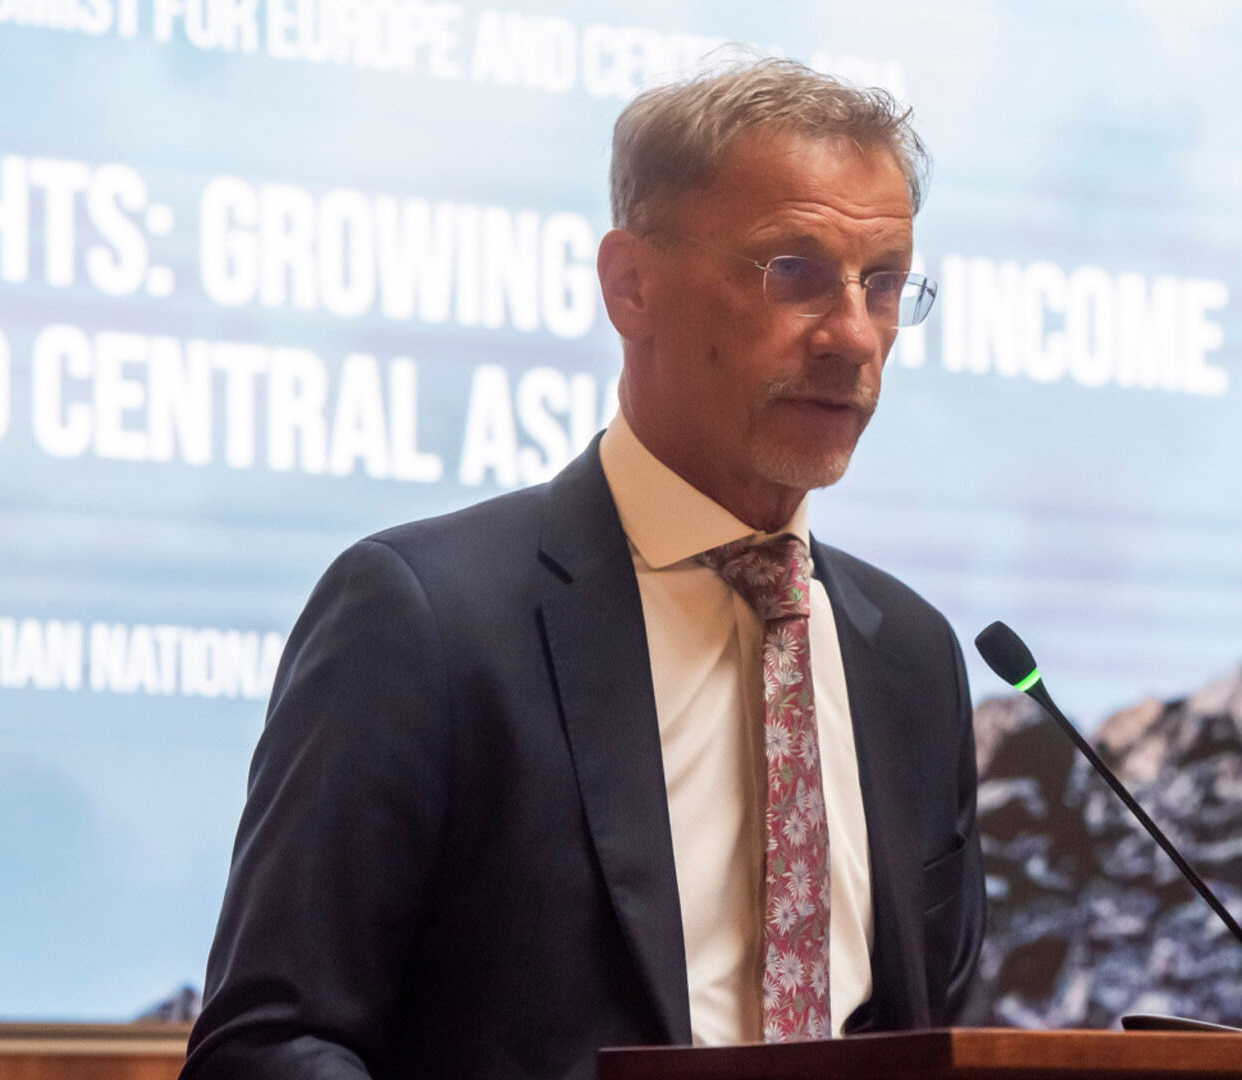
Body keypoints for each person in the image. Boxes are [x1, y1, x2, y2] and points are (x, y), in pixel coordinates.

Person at [180, 58, 984, 1080]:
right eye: (794, 272)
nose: (853, 336)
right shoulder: (425, 617)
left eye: (884, 284)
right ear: (631, 284)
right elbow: (268, 1049)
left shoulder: (910, 658)